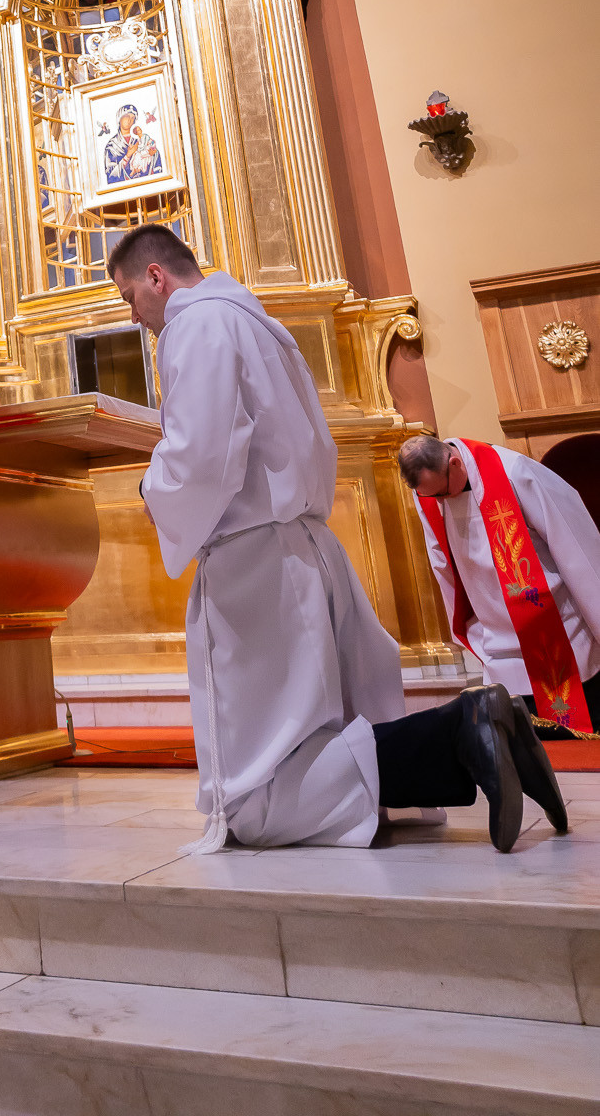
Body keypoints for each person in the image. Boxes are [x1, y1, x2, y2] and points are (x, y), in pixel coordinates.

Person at [110, 226, 566, 854]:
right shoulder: (260, 323)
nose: (134, 316)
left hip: (254, 564)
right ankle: (490, 730)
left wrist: (151, 488)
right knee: (311, 741)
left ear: (157, 277)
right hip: (302, 546)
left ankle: (464, 730)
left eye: (130, 297)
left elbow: (200, 455)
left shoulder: (196, 325)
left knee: (257, 800)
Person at [401, 430, 600, 741]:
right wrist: (469, 626)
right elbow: (442, 562)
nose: (440, 501)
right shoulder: (427, 493)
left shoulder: (514, 472)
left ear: (454, 463)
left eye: (442, 491)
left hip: (555, 628)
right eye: (431, 496)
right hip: (494, 633)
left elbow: (574, 545)